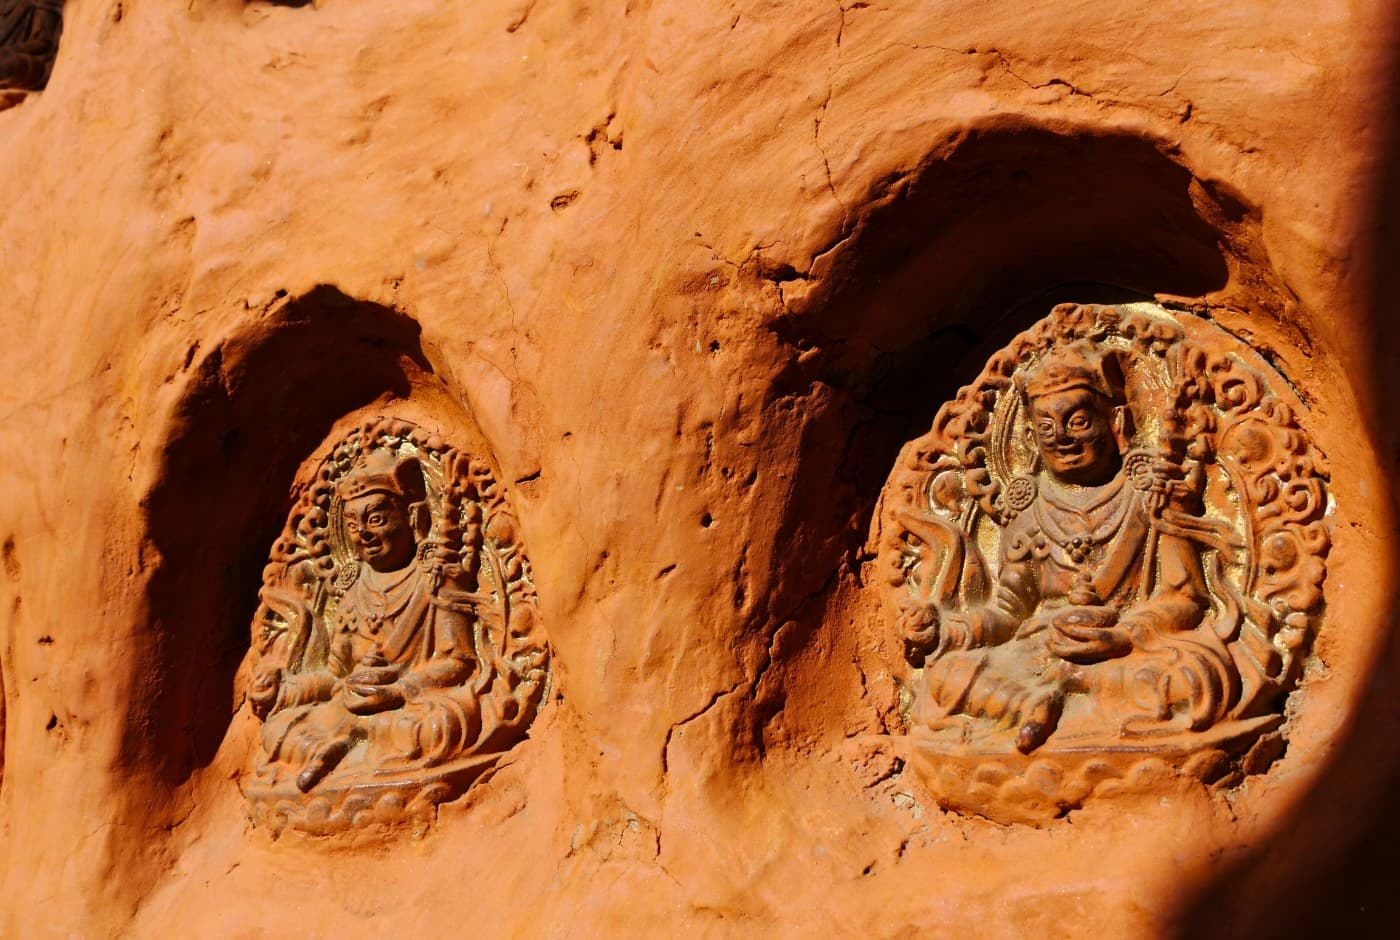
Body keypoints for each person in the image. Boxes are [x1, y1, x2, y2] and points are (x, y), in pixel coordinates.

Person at [918, 341, 1234, 752]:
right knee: (947, 674)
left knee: (1188, 679)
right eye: (1047, 428)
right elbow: (1009, 611)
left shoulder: (1150, 498)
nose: (1062, 438)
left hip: (1124, 657)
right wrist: (950, 631)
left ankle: (1064, 699)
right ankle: (1031, 705)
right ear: (1031, 438)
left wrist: (1124, 636)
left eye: (1079, 421)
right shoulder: (1029, 514)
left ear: (1115, 421)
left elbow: (1185, 597)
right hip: (1040, 653)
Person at [251, 449, 488, 792]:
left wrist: (398, 689)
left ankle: (347, 749)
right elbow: (336, 673)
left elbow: (459, 661)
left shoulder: (435, 578)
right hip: (349, 709)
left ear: (411, 517)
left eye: (376, 519)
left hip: (407, 709)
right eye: (352, 525)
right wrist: (286, 691)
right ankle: (328, 749)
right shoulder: (352, 590)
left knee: (440, 727)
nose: (362, 532)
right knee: (276, 729)